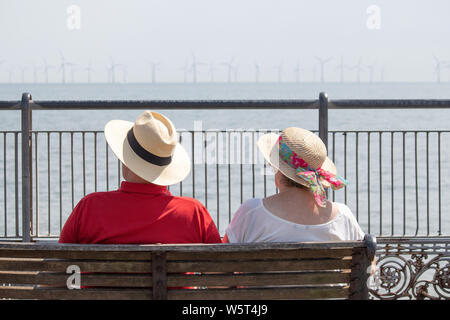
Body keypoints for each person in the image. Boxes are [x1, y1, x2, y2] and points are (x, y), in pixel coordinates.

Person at [59, 110, 221, 244]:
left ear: (125, 158)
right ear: (166, 166)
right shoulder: (194, 213)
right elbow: (220, 273)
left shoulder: (89, 207)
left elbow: (59, 266)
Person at [223, 127, 365, 243]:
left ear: (278, 168)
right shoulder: (343, 216)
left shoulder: (252, 212)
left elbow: (220, 264)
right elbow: (368, 264)